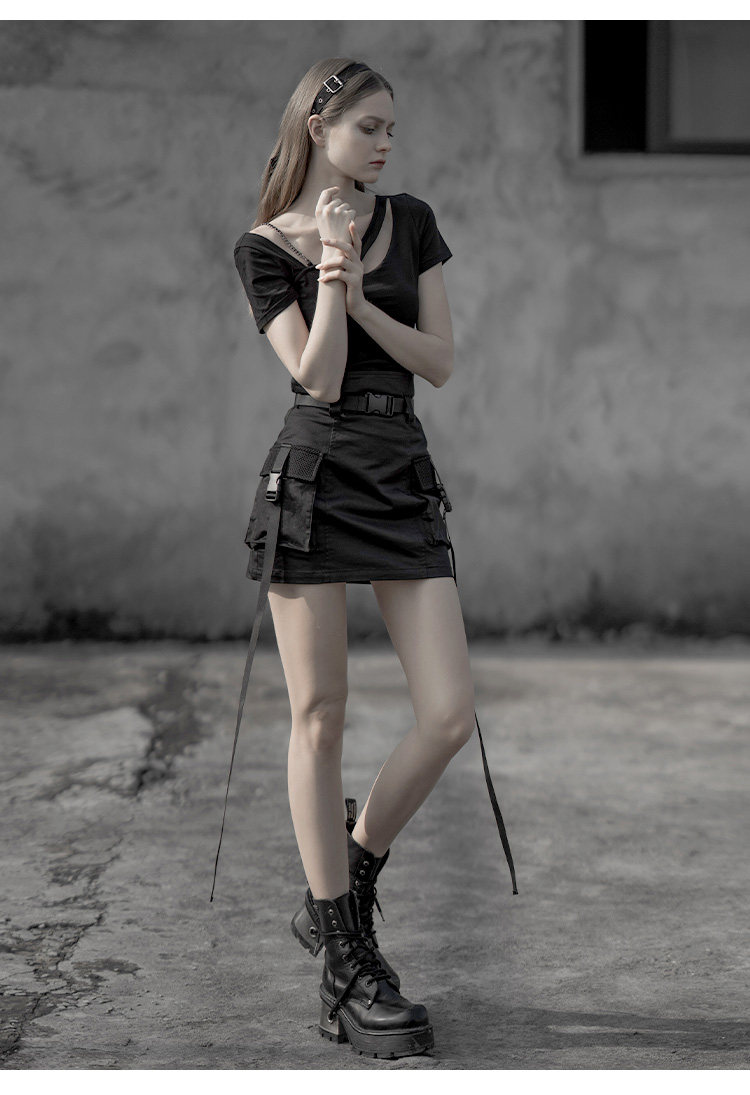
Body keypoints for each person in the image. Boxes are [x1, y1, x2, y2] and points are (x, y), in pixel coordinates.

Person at [213, 57, 517, 1060]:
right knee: (321, 714)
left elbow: (440, 361)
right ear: (317, 126)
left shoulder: (413, 220)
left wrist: (364, 289)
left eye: (392, 130)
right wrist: (333, 270)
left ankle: (343, 873)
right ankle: (346, 963)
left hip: (399, 474)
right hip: (314, 478)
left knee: (448, 713)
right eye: (369, 128)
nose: (386, 145)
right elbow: (318, 377)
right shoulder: (265, 248)